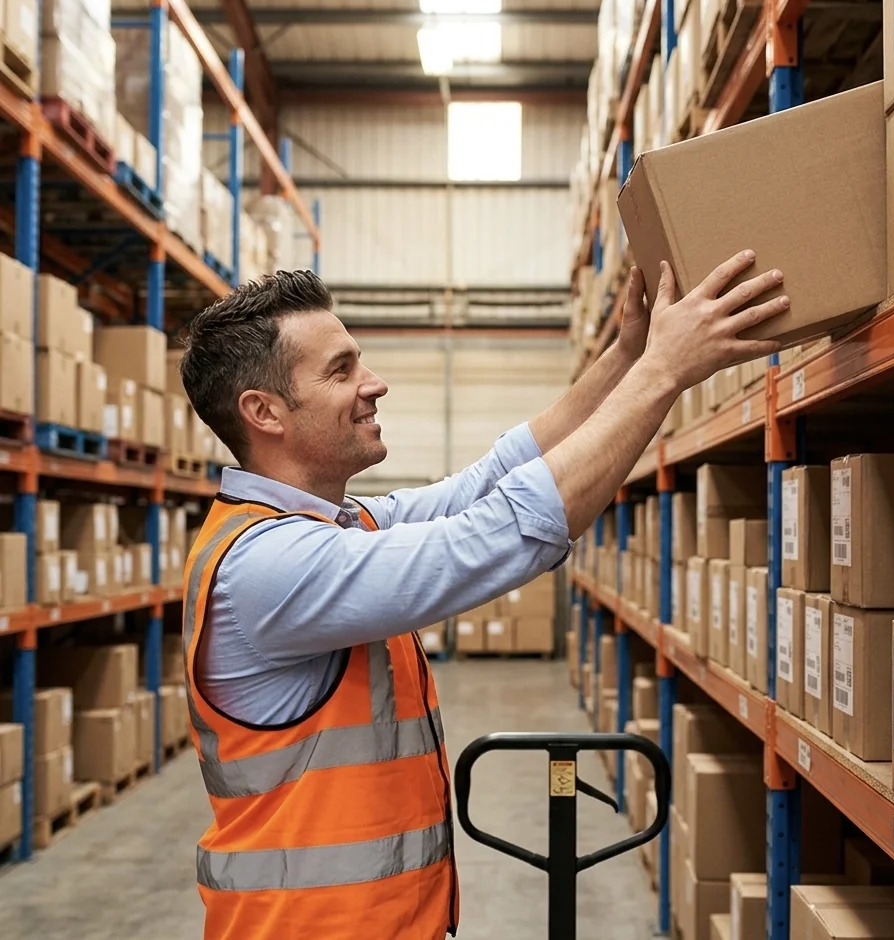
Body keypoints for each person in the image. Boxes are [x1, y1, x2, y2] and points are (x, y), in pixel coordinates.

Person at [178, 251, 787, 940]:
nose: (373, 384)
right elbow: (497, 535)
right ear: (264, 412)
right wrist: (664, 374)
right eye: (341, 369)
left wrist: (627, 356)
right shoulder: (266, 567)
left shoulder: (338, 528)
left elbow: (491, 480)